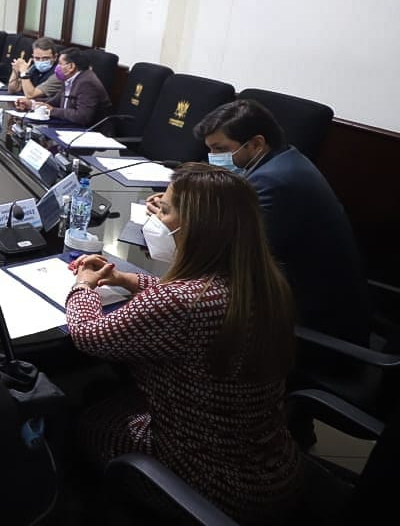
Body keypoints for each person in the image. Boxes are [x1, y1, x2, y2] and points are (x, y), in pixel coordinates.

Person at [65, 163, 302, 524]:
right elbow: (186, 303)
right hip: (272, 469)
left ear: (195, 226)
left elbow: (88, 334)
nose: (157, 212)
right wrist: (129, 280)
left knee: (86, 416)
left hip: (205, 481)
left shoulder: (181, 302)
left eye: (166, 208)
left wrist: (82, 286)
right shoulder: (264, 283)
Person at [148, 99, 369, 344]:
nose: (213, 158)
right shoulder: (282, 160)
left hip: (308, 323)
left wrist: (178, 220)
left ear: (256, 143)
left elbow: (228, 258)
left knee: (168, 328)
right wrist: (180, 205)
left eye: (221, 149)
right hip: (298, 297)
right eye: (210, 149)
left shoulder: (274, 183)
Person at [17, 46, 109, 125]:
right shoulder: (70, 79)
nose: (57, 67)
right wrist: (32, 104)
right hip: (69, 125)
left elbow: (83, 117)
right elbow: (56, 101)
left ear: (71, 67)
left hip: (90, 133)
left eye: (60, 64)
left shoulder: (87, 83)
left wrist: (52, 111)